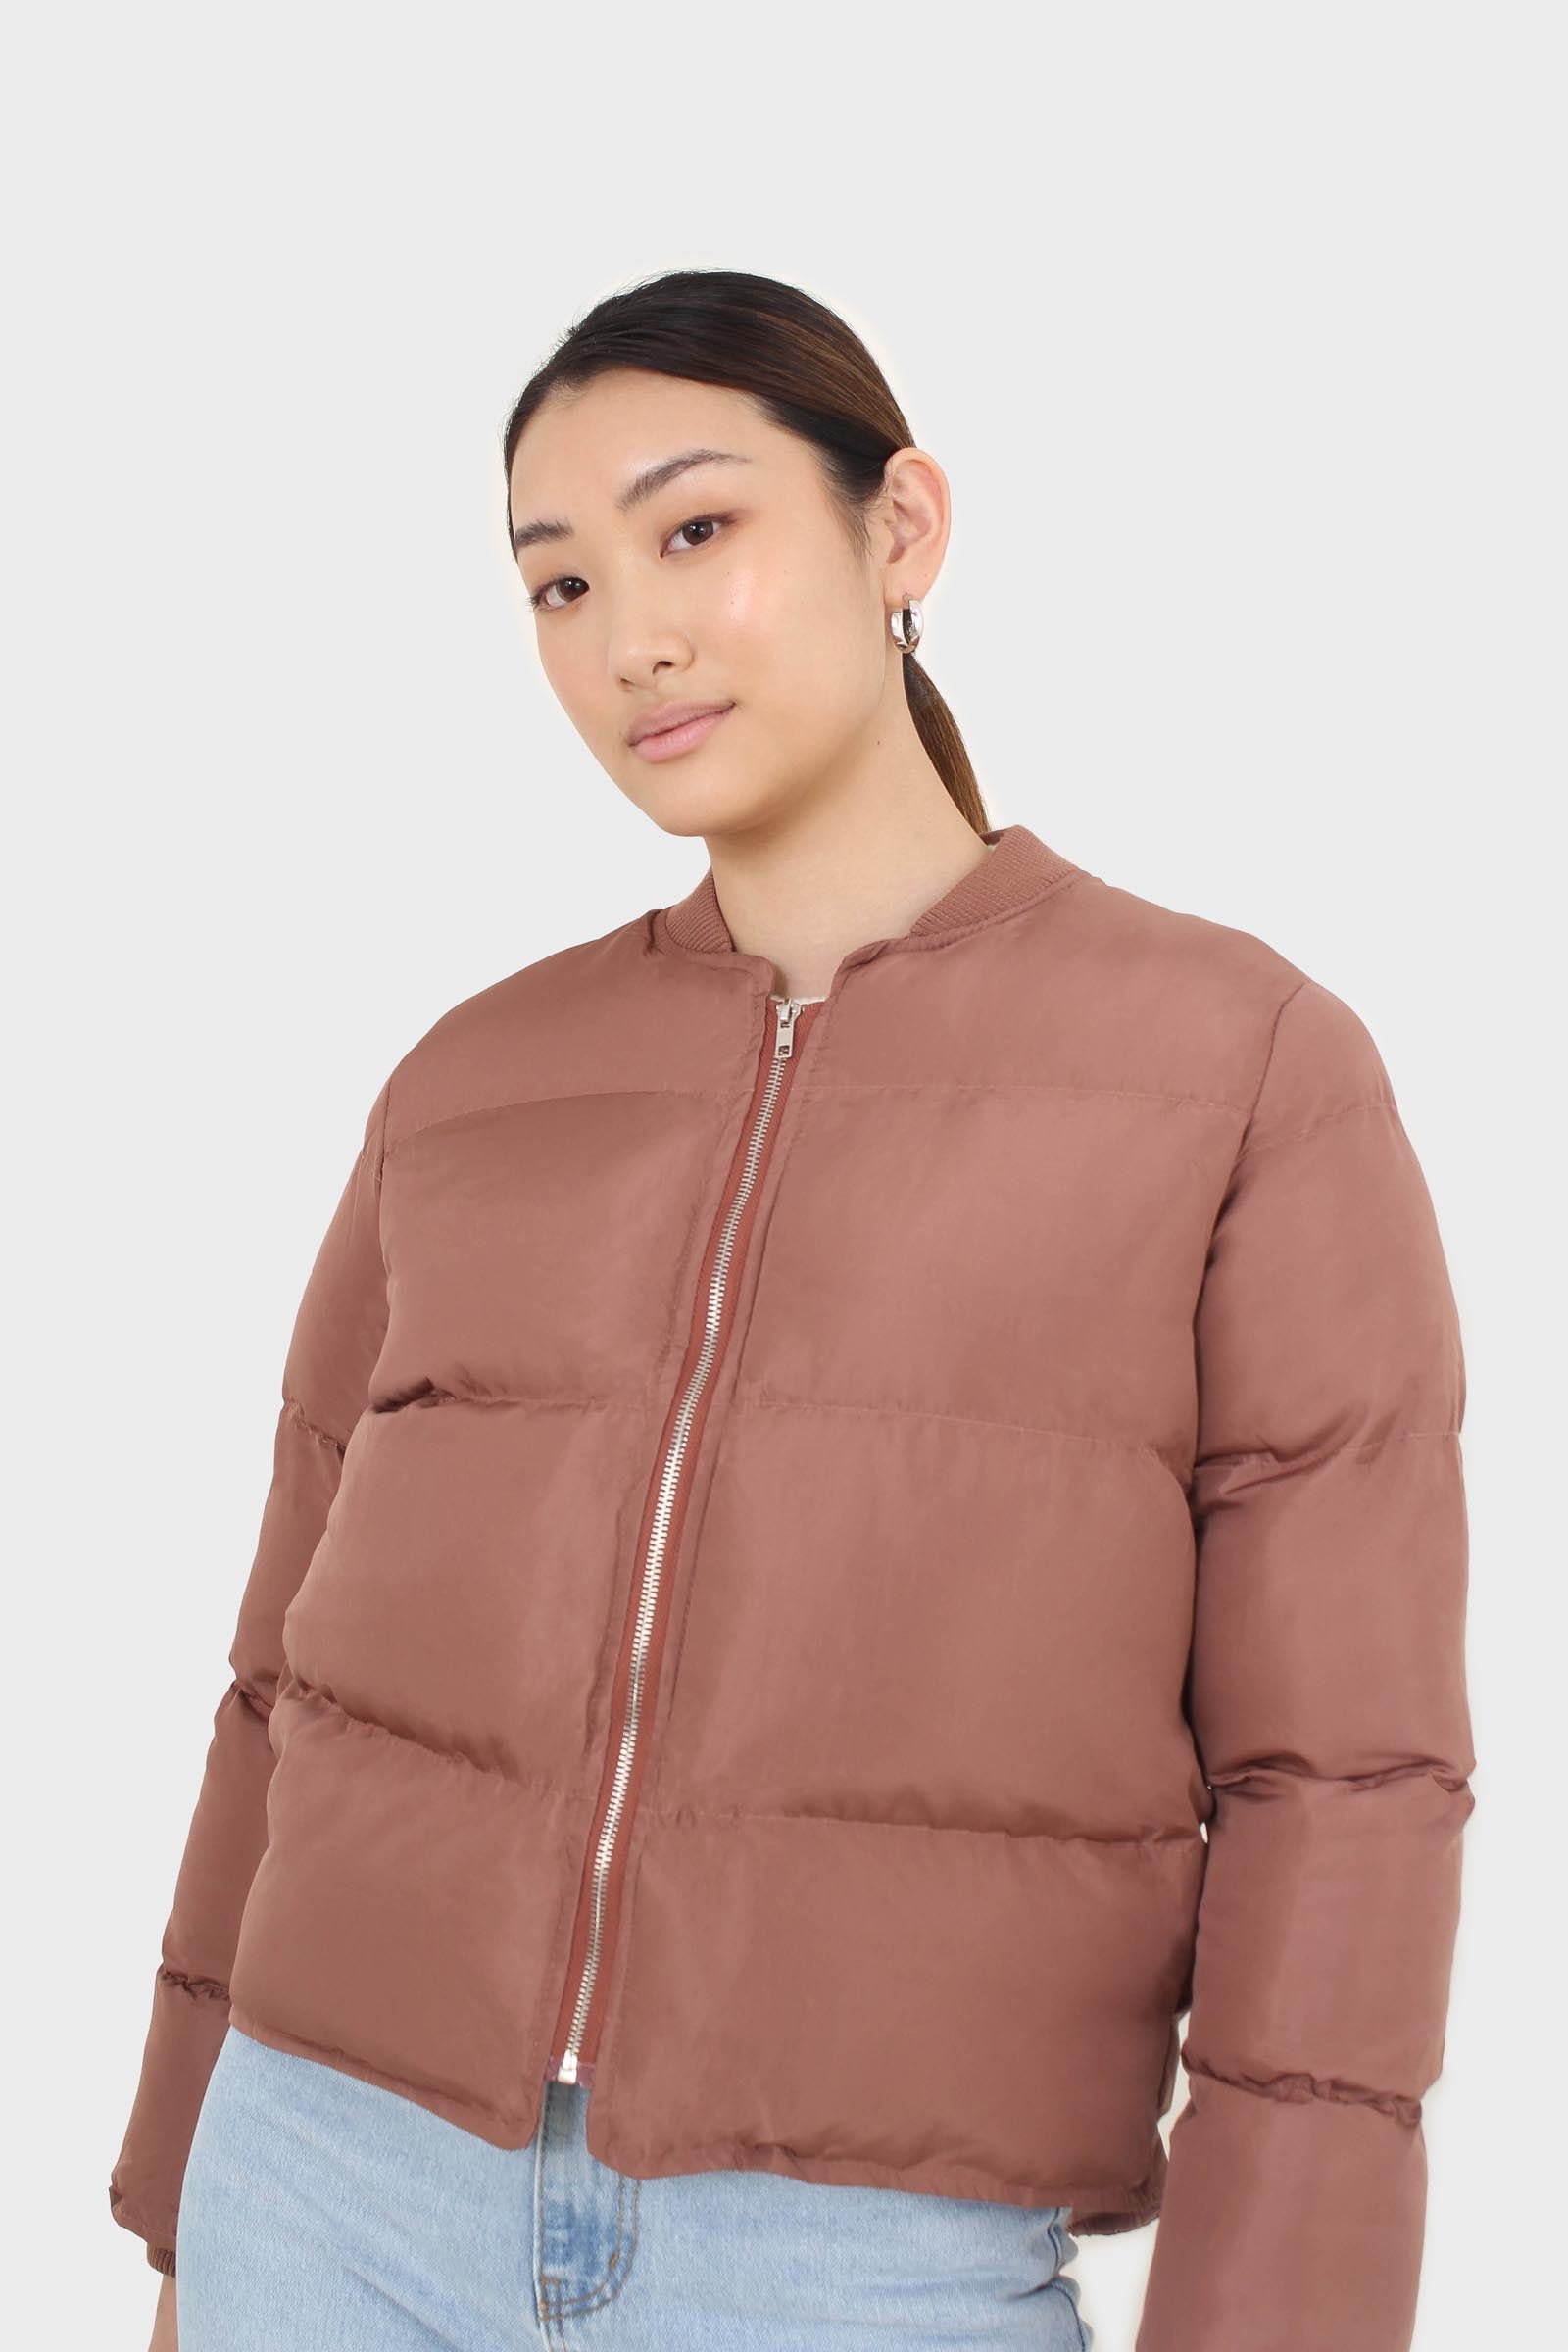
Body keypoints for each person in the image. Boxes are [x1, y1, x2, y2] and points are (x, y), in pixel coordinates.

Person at [111, 269, 1475, 2352]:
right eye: (559, 584)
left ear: (898, 528)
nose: (628, 637)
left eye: (694, 529)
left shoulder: (1242, 1066)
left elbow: (1344, 1781)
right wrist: (182, 2214)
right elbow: (277, 1691)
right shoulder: (472, 1085)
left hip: (854, 2267)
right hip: (325, 2189)